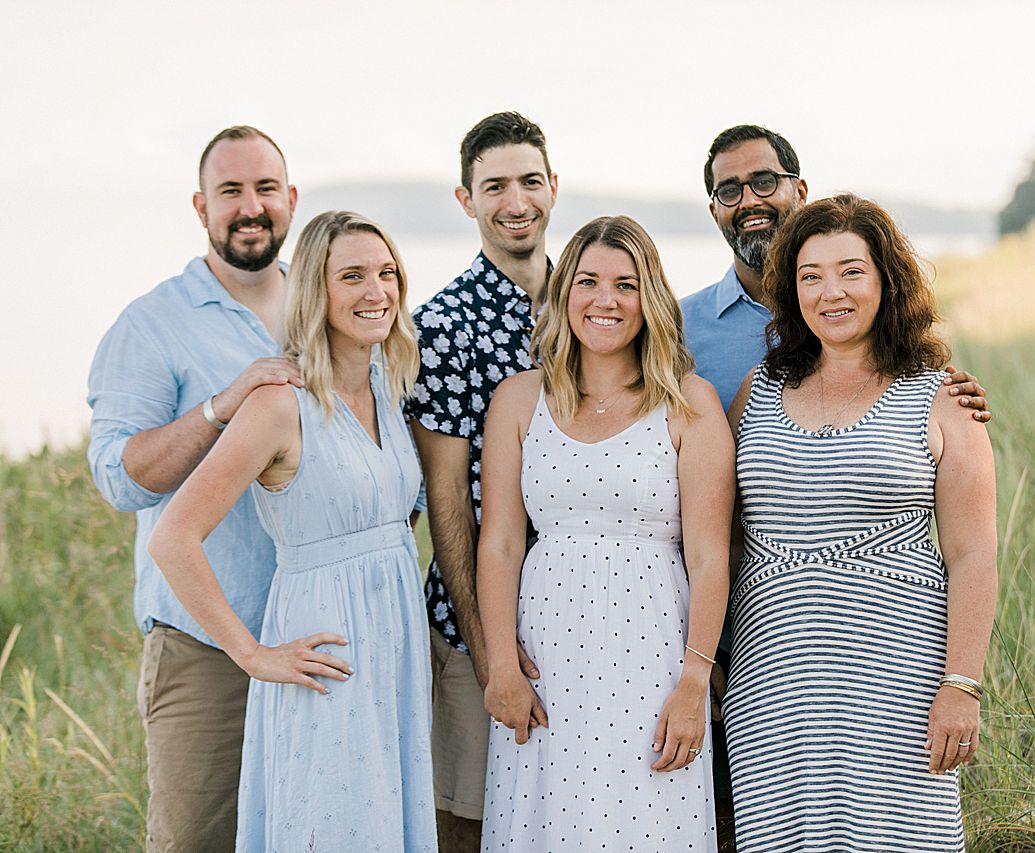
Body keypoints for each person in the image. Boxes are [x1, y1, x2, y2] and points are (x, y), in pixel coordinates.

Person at [680, 123, 992, 847]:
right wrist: (710, 661)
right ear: (793, 290)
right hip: (772, 683)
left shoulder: (940, 395)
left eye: (852, 271)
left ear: (886, 278)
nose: (832, 291)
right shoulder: (756, 389)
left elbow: (974, 553)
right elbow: (721, 529)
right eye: (812, 276)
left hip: (901, 684)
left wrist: (962, 683)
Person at [148, 210, 437, 851]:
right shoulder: (280, 401)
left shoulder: (391, 388)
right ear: (316, 290)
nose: (376, 292)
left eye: (387, 274)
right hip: (324, 647)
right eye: (353, 276)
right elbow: (173, 537)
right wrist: (252, 654)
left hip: (393, 642)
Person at [476, 216, 734, 852]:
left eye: (626, 285)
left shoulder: (689, 404)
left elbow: (708, 555)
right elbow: (501, 543)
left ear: (650, 300)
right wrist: (502, 666)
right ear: (564, 294)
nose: (605, 300)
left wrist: (694, 682)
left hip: (651, 653)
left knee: (643, 819)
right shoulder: (518, 399)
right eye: (588, 281)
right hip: (546, 656)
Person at [87, 125, 302, 852]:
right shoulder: (152, 325)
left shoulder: (329, 307)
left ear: (291, 199)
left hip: (319, 638)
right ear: (200, 205)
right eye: (231, 191)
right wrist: (221, 405)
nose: (251, 206)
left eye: (265, 188)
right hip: (207, 650)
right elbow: (120, 479)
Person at [405, 111, 552, 851]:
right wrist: (488, 649)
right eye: (494, 186)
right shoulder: (441, 325)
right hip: (475, 627)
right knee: (470, 820)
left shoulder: (597, 302)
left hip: (585, 613)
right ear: (467, 200)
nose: (515, 200)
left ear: (554, 187)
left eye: (529, 180)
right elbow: (445, 500)